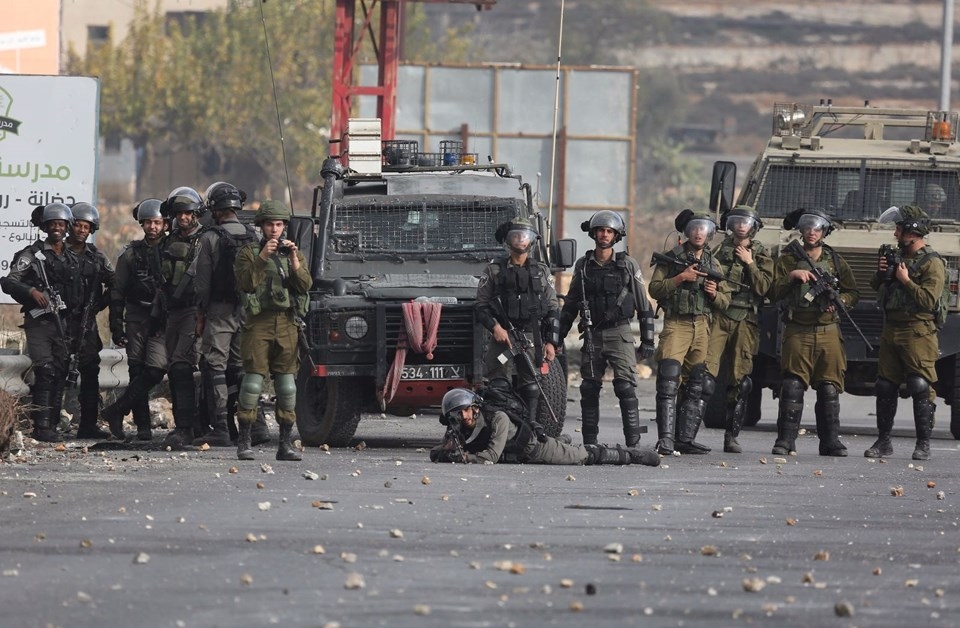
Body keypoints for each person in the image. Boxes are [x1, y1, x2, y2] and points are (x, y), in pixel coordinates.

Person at [559, 210, 656, 447]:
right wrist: (556, 337)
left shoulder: (627, 265)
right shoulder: (583, 266)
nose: (604, 234)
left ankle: (633, 442)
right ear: (594, 233)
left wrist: (648, 340)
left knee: (625, 387)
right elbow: (571, 304)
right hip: (593, 335)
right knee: (589, 388)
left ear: (616, 235)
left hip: (620, 332)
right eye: (601, 230)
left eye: (609, 231)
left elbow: (644, 306)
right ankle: (590, 443)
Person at [768, 208, 859, 457]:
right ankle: (786, 440)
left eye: (817, 228)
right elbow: (772, 292)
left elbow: (853, 292)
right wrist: (792, 277)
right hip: (798, 329)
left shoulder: (835, 261)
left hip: (828, 329)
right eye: (807, 227)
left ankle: (830, 441)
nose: (811, 232)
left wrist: (839, 300)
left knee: (829, 387)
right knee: (793, 385)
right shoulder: (788, 259)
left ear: (824, 232)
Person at [234, 200, 312, 461]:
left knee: (287, 386)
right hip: (258, 323)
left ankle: (285, 444)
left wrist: (292, 258)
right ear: (261, 226)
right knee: (253, 382)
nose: (274, 229)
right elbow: (245, 282)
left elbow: (305, 286)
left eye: (279, 225)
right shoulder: (248, 253)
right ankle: (244, 441)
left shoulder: (293, 254)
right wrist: (263, 256)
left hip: (287, 323)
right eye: (270, 224)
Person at [648, 209, 730, 455]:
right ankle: (665, 440)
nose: (698, 232)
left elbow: (726, 301)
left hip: (702, 326)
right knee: (668, 380)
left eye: (703, 229)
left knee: (696, 384)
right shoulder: (671, 258)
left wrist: (714, 294)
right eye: (694, 228)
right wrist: (681, 277)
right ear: (686, 231)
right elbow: (655, 289)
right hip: (677, 325)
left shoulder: (713, 263)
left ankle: (684, 438)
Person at [867, 205, 945, 460]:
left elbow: (928, 300)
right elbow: (875, 285)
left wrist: (906, 280)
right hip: (892, 327)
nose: (895, 234)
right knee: (885, 385)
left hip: (918, 330)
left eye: (899, 229)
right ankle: (883, 441)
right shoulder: (897, 257)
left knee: (919, 384)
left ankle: (923, 443)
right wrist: (882, 273)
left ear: (913, 231)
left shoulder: (932, 263)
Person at [0, 203, 81, 442]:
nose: (57, 228)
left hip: (64, 322)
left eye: (61, 224)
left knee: (59, 370)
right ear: (45, 227)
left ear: (67, 227)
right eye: (53, 224)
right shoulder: (31, 254)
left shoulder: (71, 257)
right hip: (39, 322)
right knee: (45, 369)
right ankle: (42, 426)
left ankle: (53, 423)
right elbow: (9, 281)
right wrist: (32, 291)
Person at [475, 217, 560, 428]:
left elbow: (553, 309)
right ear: (508, 240)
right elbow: (481, 306)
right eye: (515, 236)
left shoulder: (541, 271)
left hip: (532, 337)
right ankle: (501, 428)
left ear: (531, 241)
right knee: (499, 385)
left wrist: (551, 342)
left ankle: (529, 428)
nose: (520, 240)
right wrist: (495, 327)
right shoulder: (494, 270)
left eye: (525, 236)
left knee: (531, 385)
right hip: (504, 338)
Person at [192, 182, 260, 447]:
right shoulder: (253, 235)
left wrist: (201, 313)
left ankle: (221, 426)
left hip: (219, 312)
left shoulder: (209, 237)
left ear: (214, 208)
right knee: (243, 368)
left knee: (216, 367)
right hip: (249, 312)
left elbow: (202, 283)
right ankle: (252, 426)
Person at [430, 388, 659, 466]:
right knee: (566, 447)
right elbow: (436, 453)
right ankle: (562, 441)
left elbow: (490, 456)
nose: (462, 417)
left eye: (465, 411)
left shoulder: (497, 418)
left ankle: (631, 455)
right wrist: (446, 450)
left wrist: (464, 458)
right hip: (517, 455)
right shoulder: (459, 425)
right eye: (456, 415)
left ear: (476, 407)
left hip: (534, 448)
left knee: (581, 457)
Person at [705, 205, 774, 453]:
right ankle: (686, 433)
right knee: (704, 376)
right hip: (719, 315)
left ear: (753, 227)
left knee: (740, 380)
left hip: (746, 319)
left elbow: (765, 287)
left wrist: (750, 263)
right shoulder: (719, 250)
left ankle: (731, 436)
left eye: (746, 222)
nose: (741, 225)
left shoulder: (761, 253)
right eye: (737, 221)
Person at [103, 198, 169, 442]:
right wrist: (115, 325)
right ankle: (143, 427)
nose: (153, 227)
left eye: (157, 222)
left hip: (162, 318)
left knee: (155, 370)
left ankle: (116, 409)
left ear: (165, 224)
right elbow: (117, 292)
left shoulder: (173, 250)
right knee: (136, 370)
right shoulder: (130, 254)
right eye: (149, 222)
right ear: (142, 224)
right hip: (137, 316)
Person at [156, 186, 207, 449]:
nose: (183, 218)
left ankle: (186, 427)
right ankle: (190, 424)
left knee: (181, 365)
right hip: (171, 311)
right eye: (179, 213)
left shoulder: (206, 240)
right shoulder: (168, 240)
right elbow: (161, 280)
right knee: (175, 370)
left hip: (194, 311)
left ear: (196, 213)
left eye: (188, 213)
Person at [65, 202, 117, 439]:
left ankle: (88, 424)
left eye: (86, 226)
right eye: (77, 225)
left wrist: (100, 303)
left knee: (89, 372)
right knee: (55, 372)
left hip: (86, 324)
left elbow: (115, 282)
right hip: (60, 321)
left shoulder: (96, 257)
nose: (81, 230)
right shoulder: (57, 252)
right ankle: (47, 425)